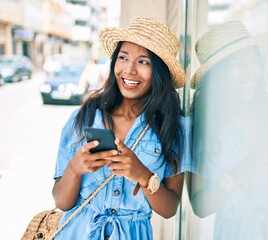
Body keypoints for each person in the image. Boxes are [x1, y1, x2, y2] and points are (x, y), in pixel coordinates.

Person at [52, 16, 187, 239]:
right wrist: (75, 169)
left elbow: (169, 209)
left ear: (160, 72)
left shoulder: (174, 127)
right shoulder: (83, 117)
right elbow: (61, 202)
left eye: (143, 62)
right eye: (123, 58)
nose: (130, 70)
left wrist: (144, 176)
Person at [189, 20, 268, 239]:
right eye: (237, 65)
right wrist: (237, 175)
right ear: (217, 74)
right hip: (235, 232)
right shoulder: (201, 125)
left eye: (254, 62)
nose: (249, 73)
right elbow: (200, 207)